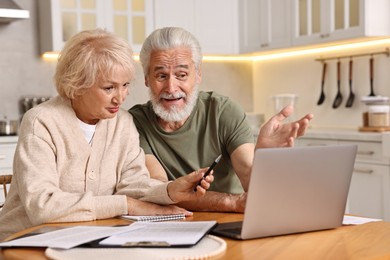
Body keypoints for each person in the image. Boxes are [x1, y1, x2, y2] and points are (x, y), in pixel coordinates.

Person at [0, 28, 214, 241]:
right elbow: (43, 205)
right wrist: (126, 205)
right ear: (77, 84)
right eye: (109, 88)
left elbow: (133, 183)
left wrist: (169, 191)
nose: (120, 98)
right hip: (23, 242)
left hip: (83, 240)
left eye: (125, 85)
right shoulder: (41, 121)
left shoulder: (123, 122)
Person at [129, 27, 313, 213]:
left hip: (232, 219)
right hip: (179, 222)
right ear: (146, 79)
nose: (171, 87)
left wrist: (264, 157)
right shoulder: (135, 122)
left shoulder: (224, 111)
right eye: (161, 75)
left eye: (181, 75)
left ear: (198, 74)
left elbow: (250, 178)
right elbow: (159, 191)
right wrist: (231, 202)